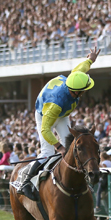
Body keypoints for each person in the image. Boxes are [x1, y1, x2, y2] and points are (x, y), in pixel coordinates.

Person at [17, 46, 101, 200]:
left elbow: (80, 68)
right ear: (76, 91)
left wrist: (90, 60)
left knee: (71, 149)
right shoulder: (56, 103)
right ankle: (25, 181)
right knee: (48, 153)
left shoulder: (74, 80)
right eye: (84, 90)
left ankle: (77, 182)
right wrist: (58, 147)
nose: (86, 91)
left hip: (62, 114)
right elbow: (45, 130)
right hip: (45, 115)